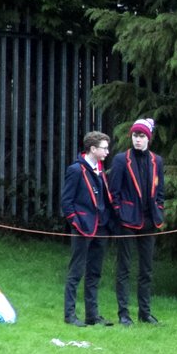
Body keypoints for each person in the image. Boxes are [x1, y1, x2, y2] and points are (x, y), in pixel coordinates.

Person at [108, 117, 166, 326]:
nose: (138, 139)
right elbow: (113, 191)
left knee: (146, 269)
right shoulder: (121, 160)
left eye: (141, 136)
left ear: (148, 138)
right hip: (127, 220)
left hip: (149, 221)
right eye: (135, 135)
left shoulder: (156, 160)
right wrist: (120, 212)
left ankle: (145, 312)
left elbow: (160, 191)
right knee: (124, 267)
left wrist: (159, 209)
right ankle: (124, 314)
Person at [61, 130, 115, 327]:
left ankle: (92, 315)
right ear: (92, 149)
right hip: (83, 228)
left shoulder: (99, 169)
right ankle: (70, 315)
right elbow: (67, 202)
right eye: (104, 148)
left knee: (94, 273)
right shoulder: (76, 170)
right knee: (76, 272)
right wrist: (77, 222)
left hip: (101, 228)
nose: (107, 152)